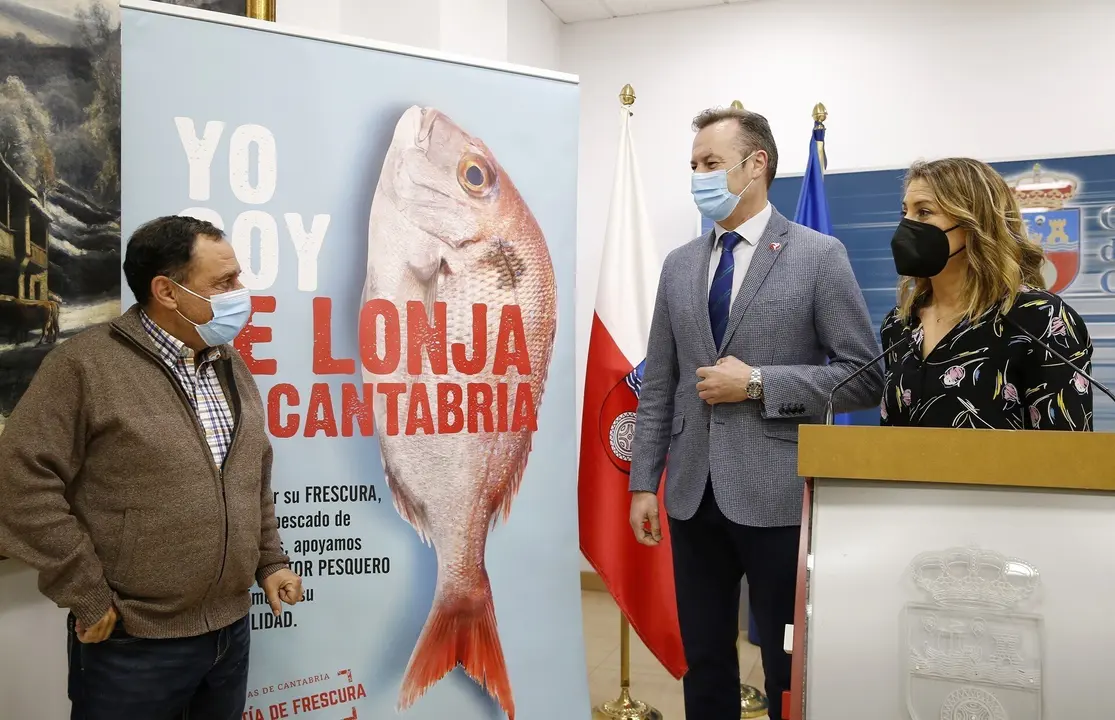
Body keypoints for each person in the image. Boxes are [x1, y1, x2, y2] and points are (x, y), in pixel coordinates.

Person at [627, 107, 883, 720]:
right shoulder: (680, 264)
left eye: (710, 164)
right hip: (691, 494)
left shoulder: (817, 256)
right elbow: (659, 381)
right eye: (693, 166)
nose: (698, 177)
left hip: (776, 496)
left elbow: (864, 376)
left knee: (785, 664)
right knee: (705, 660)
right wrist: (643, 482)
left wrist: (760, 384)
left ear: (756, 165)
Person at [0, 215, 302, 720]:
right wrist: (86, 593)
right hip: (133, 646)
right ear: (167, 290)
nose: (240, 292)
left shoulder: (229, 362)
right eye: (224, 282)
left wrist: (269, 563)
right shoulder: (85, 366)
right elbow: (19, 481)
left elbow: (253, 477)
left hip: (230, 635)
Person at [881, 158, 1094, 430]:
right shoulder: (899, 325)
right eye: (905, 213)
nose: (906, 226)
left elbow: (1068, 452)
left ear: (974, 223)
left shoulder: (1039, 319)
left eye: (923, 212)